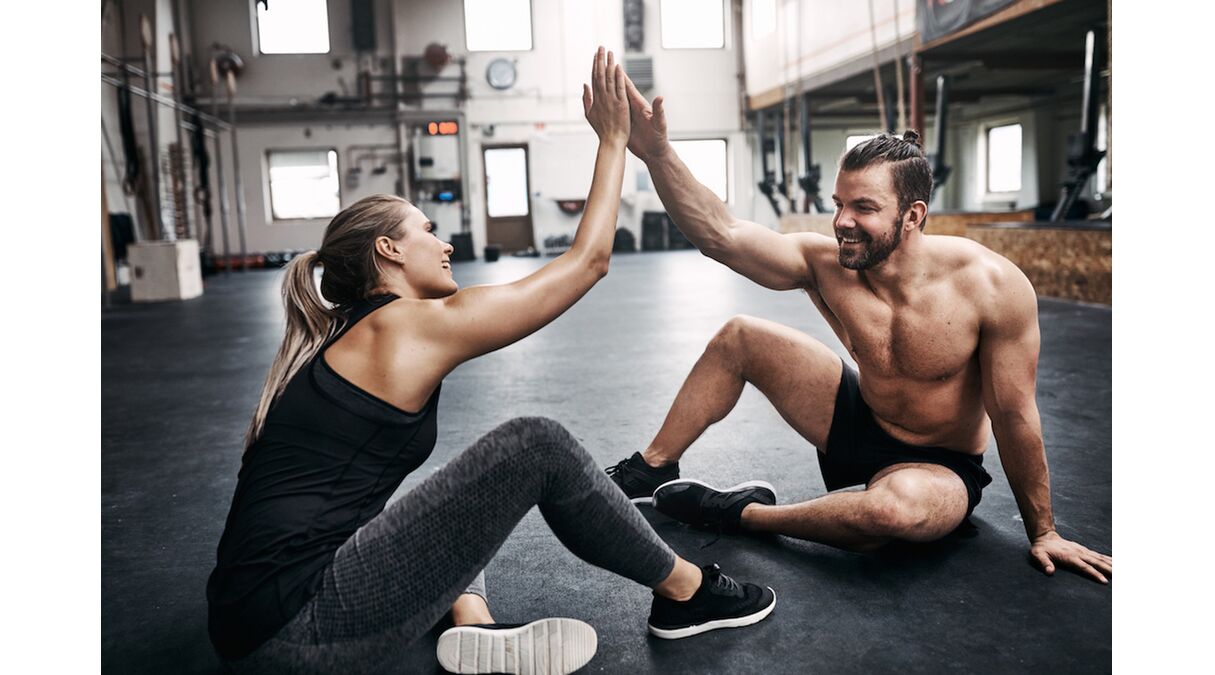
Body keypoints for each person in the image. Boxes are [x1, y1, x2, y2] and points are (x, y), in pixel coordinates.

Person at [206, 49, 775, 675]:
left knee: (456, 484)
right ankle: (688, 594)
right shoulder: (401, 327)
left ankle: (474, 625)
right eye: (426, 229)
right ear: (389, 249)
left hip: (255, 620)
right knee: (536, 445)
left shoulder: (349, 334)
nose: (445, 241)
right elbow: (586, 263)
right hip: (296, 629)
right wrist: (615, 142)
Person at [604, 75, 1113, 585]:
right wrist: (656, 154)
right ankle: (653, 467)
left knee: (893, 514)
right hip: (855, 419)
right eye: (838, 204)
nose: (842, 221)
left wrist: (1044, 531)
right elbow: (722, 235)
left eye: (864, 208)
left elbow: (1014, 413)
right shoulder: (827, 263)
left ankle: (740, 513)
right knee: (741, 336)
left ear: (913, 216)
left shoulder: (991, 287)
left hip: (939, 464)